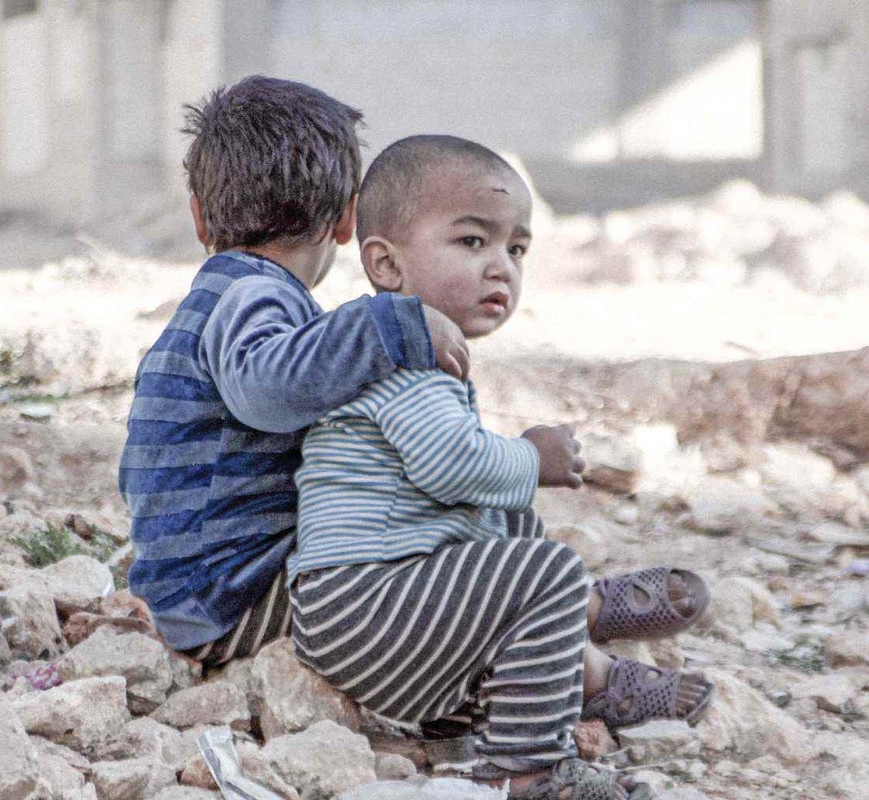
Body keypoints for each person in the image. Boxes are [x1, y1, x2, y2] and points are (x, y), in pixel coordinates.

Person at [289, 135, 714, 800]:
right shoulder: (394, 350)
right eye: (472, 242)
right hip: (363, 604)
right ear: (386, 264)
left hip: (400, 616)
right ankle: (527, 768)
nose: (502, 268)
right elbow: (452, 467)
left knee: (510, 528)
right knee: (542, 565)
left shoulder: (423, 353)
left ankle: (574, 655)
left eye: (516, 249)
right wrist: (531, 456)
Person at [118, 77, 471, 663]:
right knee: (438, 587)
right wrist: (389, 325)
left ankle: (568, 626)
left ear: (200, 218)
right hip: (231, 601)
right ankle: (579, 647)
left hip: (202, 595)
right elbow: (268, 391)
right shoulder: (254, 296)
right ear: (346, 219)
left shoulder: (215, 303)